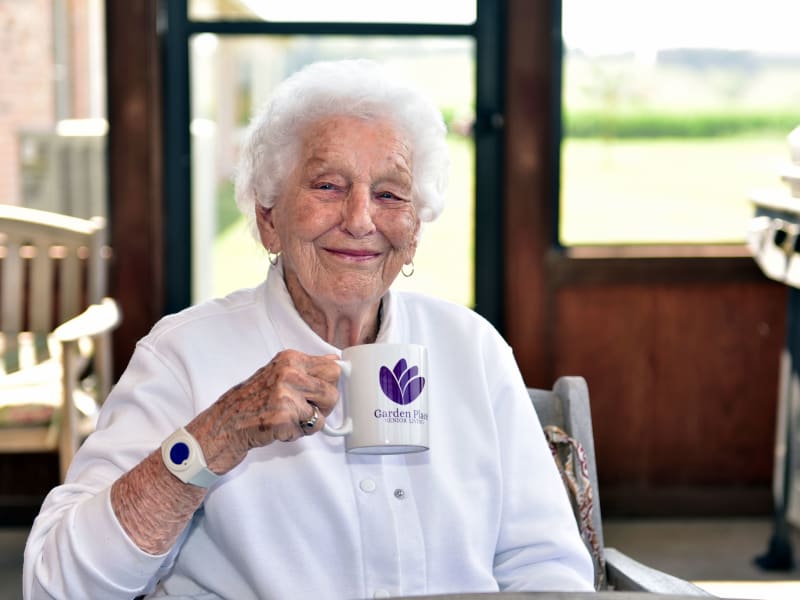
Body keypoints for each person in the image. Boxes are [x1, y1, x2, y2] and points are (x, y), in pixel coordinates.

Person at [23, 59, 594, 599]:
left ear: (414, 228)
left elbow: (545, 567)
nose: (360, 219)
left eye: (390, 194)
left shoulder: (472, 349)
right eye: (327, 186)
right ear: (269, 217)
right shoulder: (184, 355)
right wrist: (216, 436)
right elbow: (58, 584)